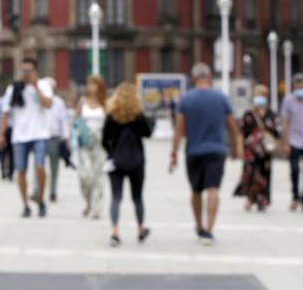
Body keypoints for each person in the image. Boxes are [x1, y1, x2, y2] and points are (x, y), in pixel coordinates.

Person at [170, 63, 243, 246]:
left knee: (196, 191)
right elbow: (233, 127)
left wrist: (173, 153)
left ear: (194, 78)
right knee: (213, 189)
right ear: (209, 78)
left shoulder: (185, 100)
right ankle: (209, 230)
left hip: (193, 151)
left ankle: (199, 225)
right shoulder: (222, 98)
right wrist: (236, 149)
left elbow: (179, 129)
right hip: (217, 150)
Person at [0, 58, 54, 217]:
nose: (26, 74)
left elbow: (48, 104)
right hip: (20, 135)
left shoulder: (43, 85)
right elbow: (5, 113)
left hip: (40, 134)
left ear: (36, 71)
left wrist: (35, 87)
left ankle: (41, 198)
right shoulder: (14, 88)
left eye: (29, 71)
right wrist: (1, 134)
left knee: (40, 166)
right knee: (21, 170)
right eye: (24, 71)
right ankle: (25, 204)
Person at [102, 82, 154, 247]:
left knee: (116, 197)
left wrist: (111, 152)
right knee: (137, 198)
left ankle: (115, 232)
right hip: (136, 161)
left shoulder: (112, 115)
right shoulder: (137, 115)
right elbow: (148, 133)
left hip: (116, 161)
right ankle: (140, 229)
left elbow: (104, 139)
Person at [234, 84, 280, 212]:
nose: (259, 98)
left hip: (265, 151)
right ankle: (249, 198)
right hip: (251, 150)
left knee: (264, 174)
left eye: (261, 95)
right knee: (251, 173)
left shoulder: (271, 114)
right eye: (257, 95)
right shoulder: (249, 113)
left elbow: (277, 133)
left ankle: (262, 199)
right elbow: (240, 132)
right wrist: (239, 148)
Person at [74, 75, 108, 219]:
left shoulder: (105, 103)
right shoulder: (82, 102)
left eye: (94, 84)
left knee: (98, 176)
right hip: (85, 142)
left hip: (100, 143)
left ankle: (97, 207)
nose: (90, 87)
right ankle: (88, 201)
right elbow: (75, 121)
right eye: (89, 84)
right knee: (85, 175)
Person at [44, 78, 70, 203]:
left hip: (54, 137)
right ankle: (38, 190)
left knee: (54, 167)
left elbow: (64, 120)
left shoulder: (59, 102)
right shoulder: (39, 100)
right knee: (39, 165)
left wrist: (66, 137)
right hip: (41, 138)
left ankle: (53, 191)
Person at [280, 73, 303, 211]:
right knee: (294, 169)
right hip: (294, 140)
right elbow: (285, 122)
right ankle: (295, 197)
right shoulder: (288, 100)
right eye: (298, 85)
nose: (300, 87)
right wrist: (285, 143)